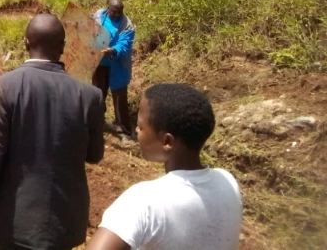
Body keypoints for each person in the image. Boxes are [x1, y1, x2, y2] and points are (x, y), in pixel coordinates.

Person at [0, 13, 105, 250]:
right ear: (63, 47)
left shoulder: (6, 86)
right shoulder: (90, 95)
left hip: (13, 222)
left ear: (26, 43)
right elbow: (94, 155)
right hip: (63, 224)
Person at [86, 84, 242, 250]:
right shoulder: (228, 182)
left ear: (167, 141)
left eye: (141, 126)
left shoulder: (144, 201)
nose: (137, 131)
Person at [92, 0, 135, 137]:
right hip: (100, 63)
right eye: (114, 11)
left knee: (119, 97)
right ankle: (98, 122)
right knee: (98, 93)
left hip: (118, 64)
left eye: (120, 11)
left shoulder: (127, 24)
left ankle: (123, 131)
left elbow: (125, 44)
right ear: (108, 9)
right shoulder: (98, 15)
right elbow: (89, 30)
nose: (117, 14)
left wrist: (113, 50)